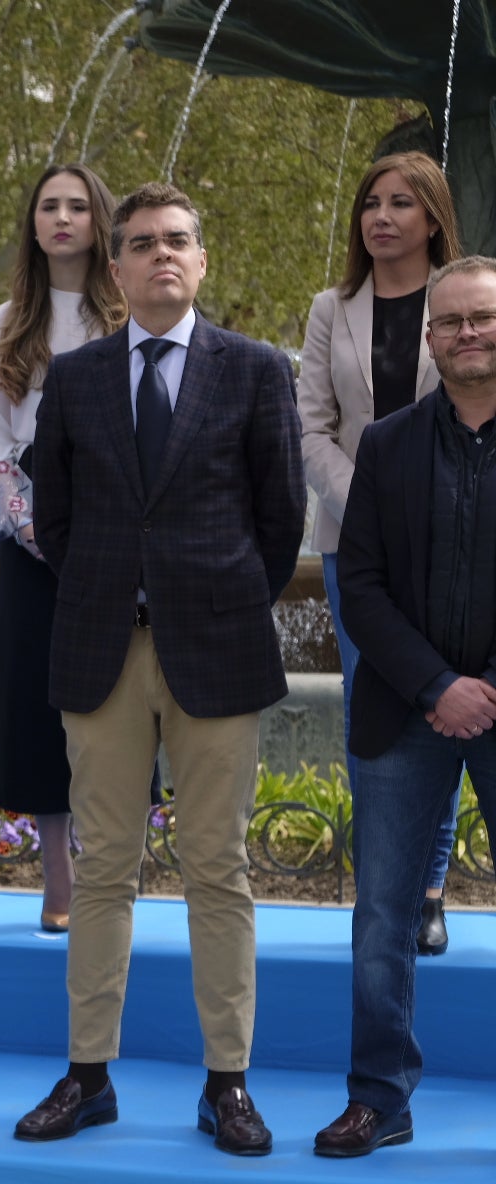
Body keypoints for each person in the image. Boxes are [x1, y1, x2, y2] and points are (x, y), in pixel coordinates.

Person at [14, 182, 305, 1155]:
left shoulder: (255, 369)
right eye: (141, 243)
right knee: (103, 868)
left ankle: (229, 1082)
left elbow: (281, 518)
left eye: (178, 239)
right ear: (117, 267)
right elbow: (54, 518)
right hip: (102, 651)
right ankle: (88, 1073)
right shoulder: (77, 377)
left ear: (201, 259)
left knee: (218, 868)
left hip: (217, 651)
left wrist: (216, 598)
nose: (161, 254)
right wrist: (114, 592)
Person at [317, 256, 496, 1157]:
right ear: (431, 340)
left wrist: (484, 687)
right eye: (452, 321)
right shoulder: (386, 445)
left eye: (484, 317)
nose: (469, 333)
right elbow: (363, 586)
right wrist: (437, 686)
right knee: (383, 916)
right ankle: (378, 1099)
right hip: (405, 711)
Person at [297, 151, 464, 956]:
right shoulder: (331, 308)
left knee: (445, 700)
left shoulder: (465, 305)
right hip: (353, 541)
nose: (381, 216)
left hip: (456, 537)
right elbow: (310, 427)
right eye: (371, 202)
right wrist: (368, 504)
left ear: (433, 218)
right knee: (372, 705)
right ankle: (381, 888)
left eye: (401, 202)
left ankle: (428, 888)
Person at [0, 164, 127, 933]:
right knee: (40, 711)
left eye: (77, 206)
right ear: (32, 225)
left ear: (101, 221)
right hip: (32, 539)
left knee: (116, 705)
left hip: (114, 533)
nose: (62, 218)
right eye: (48, 206)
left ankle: (110, 874)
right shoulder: (8, 321)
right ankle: (58, 880)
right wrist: (37, 530)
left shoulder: (127, 314)